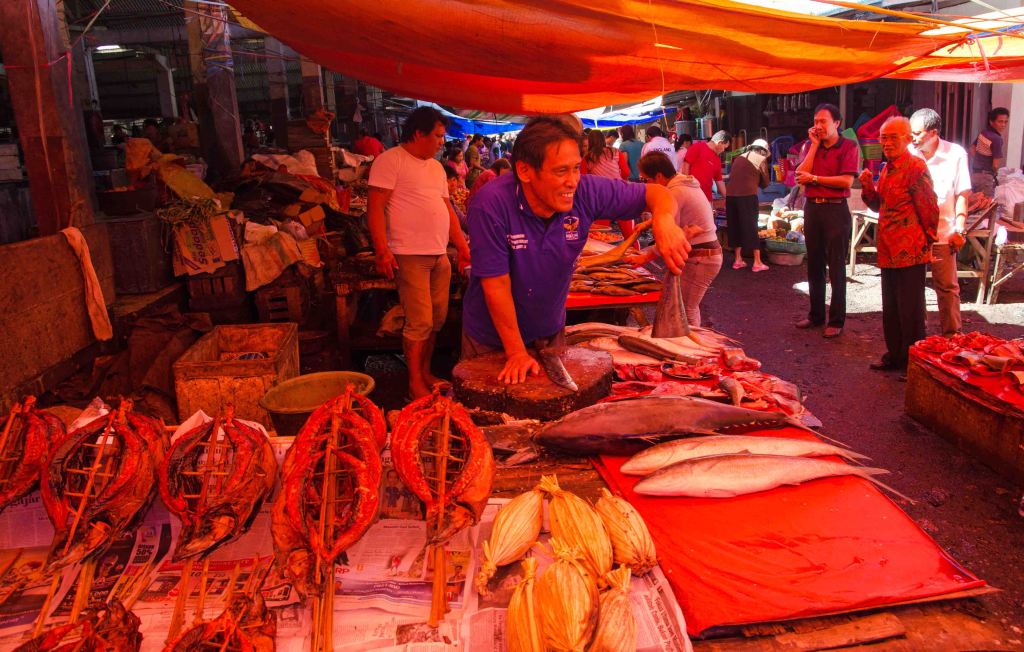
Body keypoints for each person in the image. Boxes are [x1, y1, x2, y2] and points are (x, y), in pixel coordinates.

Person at [463, 115, 692, 383]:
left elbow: (656, 194)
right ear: (525, 171)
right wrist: (515, 352)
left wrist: (664, 220)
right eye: (561, 171)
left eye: (575, 168)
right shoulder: (490, 205)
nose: (573, 181)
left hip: (549, 330)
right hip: (492, 339)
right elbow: (496, 284)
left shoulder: (584, 190)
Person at [368, 106, 471, 399]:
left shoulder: (436, 168)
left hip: (439, 254)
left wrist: (462, 247)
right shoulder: (390, 161)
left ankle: (425, 372)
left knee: (437, 320)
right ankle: (414, 382)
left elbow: (447, 209)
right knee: (419, 322)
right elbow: (374, 209)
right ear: (418, 134)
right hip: (408, 253)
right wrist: (382, 250)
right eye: (437, 136)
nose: (442, 142)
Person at [859, 117, 939, 374]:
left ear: (907, 138)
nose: (888, 142)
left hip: (911, 250)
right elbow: (879, 206)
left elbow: (929, 207)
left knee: (911, 311)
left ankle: (914, 365)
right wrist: (867, 188)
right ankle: (895, 356)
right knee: (891, 308)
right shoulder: (887, 168)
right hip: (888, 249)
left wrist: (928, 240)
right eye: (884, 137)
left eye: (894, 137)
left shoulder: (915, 166)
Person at [631, 152, 721, 326]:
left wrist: (645, 256)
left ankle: (695, 350)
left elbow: (671, 238)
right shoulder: (681, 182)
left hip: (702, 257)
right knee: (677, 303)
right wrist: (649, 223)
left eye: (646, 180)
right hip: (702, 254)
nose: (646, 185)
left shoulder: (676, 191)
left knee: (687, 308)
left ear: (658, 176)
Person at [794, 103, 859, 338]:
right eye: (816, 121)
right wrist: (813, 145)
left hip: (836, 210)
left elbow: (846, 181)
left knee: (836, 268)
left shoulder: (849, 146)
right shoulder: (812, 146)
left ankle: (837, 319)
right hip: (813, 208)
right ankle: (816, 315)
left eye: (824, 121)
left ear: (837, 123)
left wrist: (815, 178)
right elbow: (801, 176)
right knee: (814, 265)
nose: (818, 126)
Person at [909, 108, 972, 337]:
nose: (912, 138)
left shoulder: (956, 154)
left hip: (943, 232)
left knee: (947, 286)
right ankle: (918, 337)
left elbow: (963, 194)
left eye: (917, 133)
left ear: (933, 133)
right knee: (914, 289)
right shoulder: (909, 153)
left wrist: (960, 229)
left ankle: (952, 337)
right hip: (913, 234)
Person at [726, 139, 772, 272]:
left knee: (735, 226)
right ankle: (757, 262)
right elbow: (765, 183)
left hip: (731, 196)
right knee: (751, 226)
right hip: (747, 196)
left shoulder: (739, 158)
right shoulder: (760, 159)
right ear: (763, 151)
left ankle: (737, 260)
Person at [970, 107, 1009, 197]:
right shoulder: (997, 139)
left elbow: (972, 148)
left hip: (975, 174)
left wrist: (979, 160)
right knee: (986, 207)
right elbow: (995, 165)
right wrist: (993, 174)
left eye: (1005, 121)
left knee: (975, 204)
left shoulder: (984, 133)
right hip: (985, 177)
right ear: (991, 122)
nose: (1003, 124)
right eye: (1000, 121)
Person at [682, 130, 729, 202]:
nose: (723, 150)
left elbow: (719, 181)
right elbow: (685, 167)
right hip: (692, 196)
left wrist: (727, 197)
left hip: (707, 198)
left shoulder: (717, 159)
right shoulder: (698, 147)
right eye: (724, 147)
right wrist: (686, 187)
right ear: (719, 143)